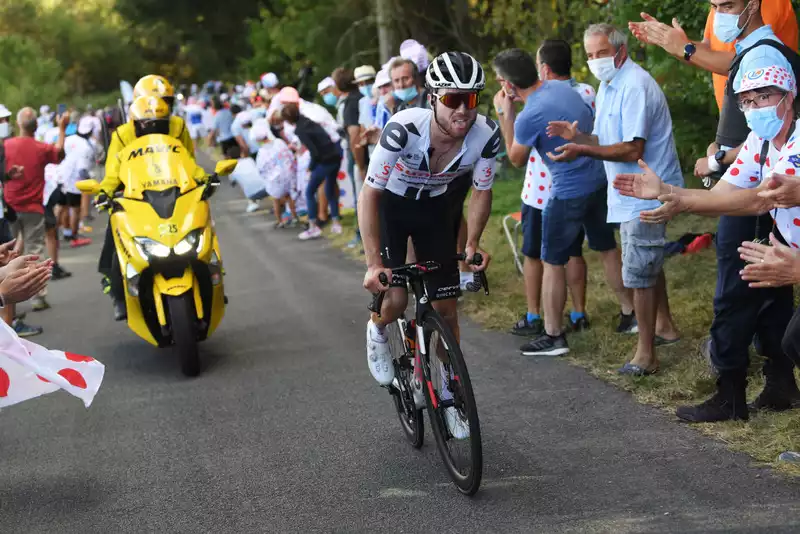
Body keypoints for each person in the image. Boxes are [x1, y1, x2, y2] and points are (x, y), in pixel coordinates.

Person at [613, 63, 800, 422]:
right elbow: (728, 193)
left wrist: (677, 196)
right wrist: (672, 195)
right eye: (747, 101)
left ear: (789, 97)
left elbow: (759, 200)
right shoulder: (760, 142)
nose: (756, 106)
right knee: (794, 341)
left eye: (765, 96)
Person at [360, 51, 499, 439]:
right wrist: (374, 265)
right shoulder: (403, 129)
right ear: (433, 96)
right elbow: (369, 194)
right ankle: (377, 331)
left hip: (435, 211)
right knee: (397, 300)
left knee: (447, 311)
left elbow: (481, 192)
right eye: (453, 99)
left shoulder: (485, 135)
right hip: (393, 208)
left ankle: (451, 393)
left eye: (471, 100)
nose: (463, 110)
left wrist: (471, 244)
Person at [547, 23, 682, 375]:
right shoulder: (609, 85)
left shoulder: (635, 85)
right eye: (590, 55)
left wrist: (583, 151)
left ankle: (646, 355)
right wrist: (583, 139)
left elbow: (632, 148)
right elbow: (610, 140)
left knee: (638, 272)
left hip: (648, 191)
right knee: (647, 261)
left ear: (620, 51)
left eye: (601, 53)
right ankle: (664, 327)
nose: (595, 61)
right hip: (630, 191)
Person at [493, 48, 633, 356]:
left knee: (552, 261)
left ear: (508, 84)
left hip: (568, 190)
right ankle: (630, 312)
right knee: (606, 248)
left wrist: (507, 114)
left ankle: (553, 335)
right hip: (597, 178)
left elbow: (515, 158)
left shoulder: (529, 115)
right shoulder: (561, 87)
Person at [2, 107, 68, 335]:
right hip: (32, 207)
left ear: (18, 124)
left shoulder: (6, 145)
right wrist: (61, 128)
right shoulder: (40, 148)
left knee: (8, 254)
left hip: (8, 207)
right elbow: (60, 155)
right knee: (33, 249)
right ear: (36, 127)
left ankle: (10, 300)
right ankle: (37, 296)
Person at [281, 102, 343, 240]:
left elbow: (314, 152)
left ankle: (313, 226)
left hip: (324, 161)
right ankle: (336, 223)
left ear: (289, 120)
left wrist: (311, 167)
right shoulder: (309, 121)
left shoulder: (300, 130)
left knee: (309, 192)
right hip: (335, 156)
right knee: (330, 188)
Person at [252, 121, 299, 227]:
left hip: (275, 178)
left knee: (276, 200)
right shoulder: (279, 142)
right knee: (289, 196)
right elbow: (288, 154)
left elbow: (261, 168)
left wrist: (266, 177)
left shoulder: (262, 152)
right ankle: (294, 216)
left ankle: (280, 221)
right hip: (288, 173)